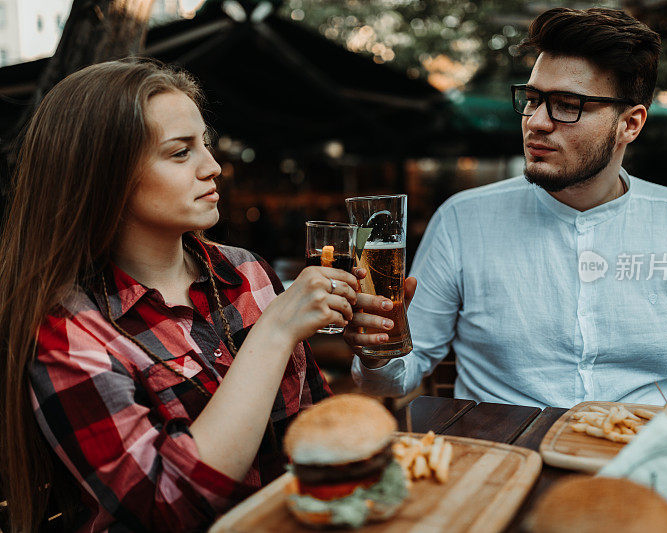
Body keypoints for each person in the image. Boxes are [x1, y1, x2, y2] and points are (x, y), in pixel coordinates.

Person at [0, 60, 386, 532]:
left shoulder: (247, 272)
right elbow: (168, 506)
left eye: (205, 143)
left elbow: (316, 438)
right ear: (105, 175)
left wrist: (376, 356)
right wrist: (276, 330)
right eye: (181, 153)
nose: (213, 167)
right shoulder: (67, 330)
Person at [348, 8, 667, 409]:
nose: (536, 122)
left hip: (634, 455)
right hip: (500, 455)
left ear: (630, 124)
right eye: (532, 99)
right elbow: (399, 377)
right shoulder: (463, 220)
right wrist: (378, 353)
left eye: (566, 104)